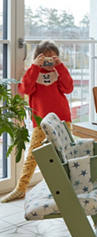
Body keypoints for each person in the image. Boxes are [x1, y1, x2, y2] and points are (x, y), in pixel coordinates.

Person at [1, 41, 74, 203]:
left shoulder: (58, 72)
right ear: (37, 58)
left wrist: (60, 66)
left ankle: (68, 186)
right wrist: (34, 67)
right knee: (33, 154)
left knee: (65, 153)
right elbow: (25, 89)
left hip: (62, 120)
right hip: (41, 122)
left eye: (52, 57)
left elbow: (68, 88)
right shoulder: (33, 74)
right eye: (44, 58)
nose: (49, 61)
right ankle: (21, 187)